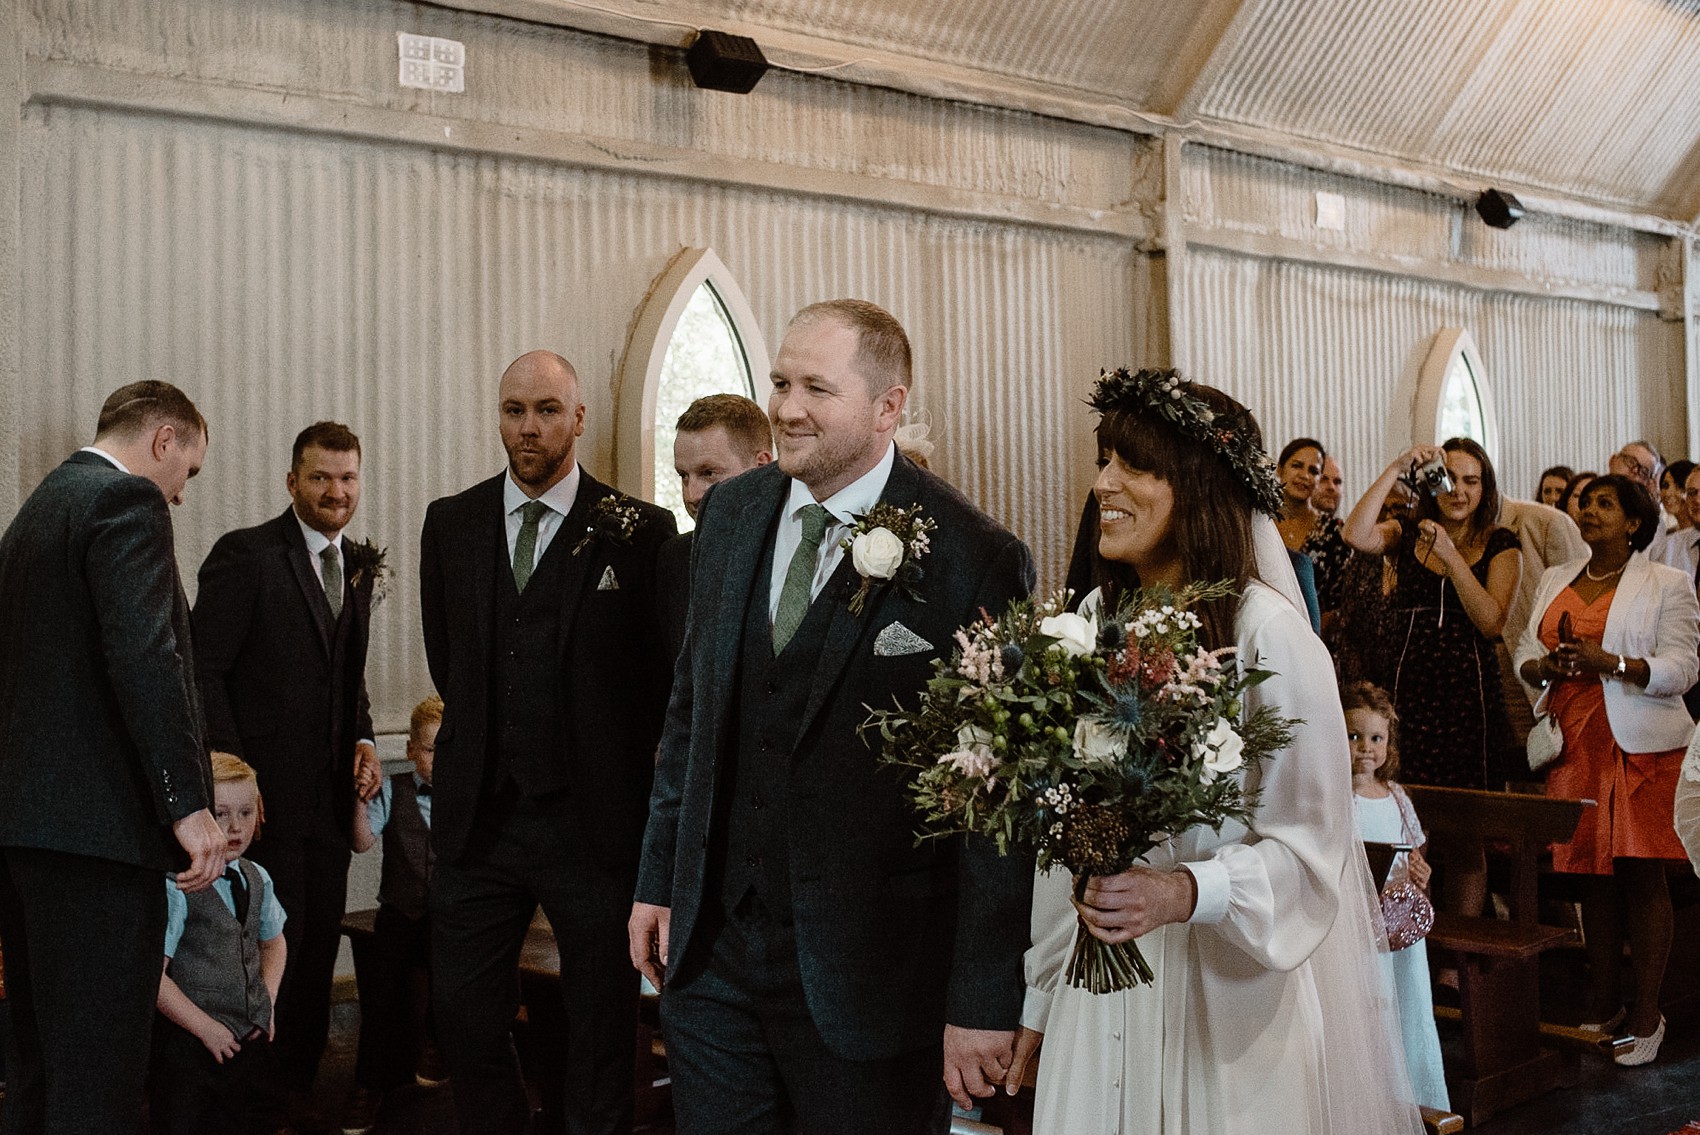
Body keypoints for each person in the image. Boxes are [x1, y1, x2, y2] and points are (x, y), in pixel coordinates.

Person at [630, 299, 1036, 1135]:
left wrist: (983, 997)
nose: (786, 407)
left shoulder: (973, 555)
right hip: (712, 965)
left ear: (888, 407)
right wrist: (660, 879)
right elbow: (689, 719)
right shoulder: (733, 515)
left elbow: (999, 806)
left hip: (870, 977)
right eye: (780, 381)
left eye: (817, 386)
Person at [1009, 370, 1419, 1135]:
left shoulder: (1271, 635)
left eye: (1134, 464)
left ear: (1199, 486)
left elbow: (1311, 852)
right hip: (1097, 1005)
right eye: (1104, 460)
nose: (1104, 483)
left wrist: (1184, 891)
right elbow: (1058, 840)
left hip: (1227, 1011)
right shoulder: (1089, 624)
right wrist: (1039, 995)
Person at [421, 349, 677, 1135]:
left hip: (591, 825)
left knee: (602, 1024)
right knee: (463, 1015)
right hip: (480, 819)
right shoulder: (451, 521)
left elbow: (656, 682)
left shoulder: (639, 530)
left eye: (545, 409)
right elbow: (450, 657)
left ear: (578, 417)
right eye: (513, 410)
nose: (527, 426)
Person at [0, 380, 224, 1135]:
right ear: (164, 439)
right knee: (99, 1079)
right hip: (99, 844)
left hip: (26, 840)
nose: (181, 495)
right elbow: (146, 657)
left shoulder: (36, 513)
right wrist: (187, 804)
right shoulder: (125, 504)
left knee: (40, 1069)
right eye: (187, 471)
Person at [192, 421, 382, 1111]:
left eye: (348, 477)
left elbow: (348, 678)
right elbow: (203, 672)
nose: (337, 491)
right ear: (292, 481)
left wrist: (364, 740)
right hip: (258, 807)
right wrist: (235, 784)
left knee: (314, 951)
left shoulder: (357, 566)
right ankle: (250, 1099)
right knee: (267, 953)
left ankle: (299, 1096)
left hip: (330, 807)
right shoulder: (246, 556)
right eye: (321, 477)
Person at [1515, 474, 1698, 1065]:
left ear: (1635, 522)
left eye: (1604, 504)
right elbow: (1522, 648)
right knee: (1591, 875)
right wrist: (1542, 668)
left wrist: (1611, 662)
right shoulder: (1555, 578)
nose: (1588, 510)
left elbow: (1683, 668)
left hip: (1642, 742)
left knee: (1643, 876)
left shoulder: (1667, 582)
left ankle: (1648, 1014)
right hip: (1576, 738)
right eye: (1585, 502)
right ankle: (1603, 1000)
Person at [1342, 439, 1520, 914]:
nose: (1458, 490)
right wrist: (1394, 467)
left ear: (1486, 487)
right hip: (1410, 688)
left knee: (1465, 835)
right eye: (1449, 478)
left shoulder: (1501, 542)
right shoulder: (1407, 531)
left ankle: (1455, 965)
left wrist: (1452, 557)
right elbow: (1355, 534)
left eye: (1471, 480)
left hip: (1467, 694)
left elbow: (1491, 620)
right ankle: (1409, 935)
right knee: (1408, 823)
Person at [150, 753, 289, 1135]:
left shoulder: (256, 876)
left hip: (248, 1037)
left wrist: (267, 999)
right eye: (221, 814)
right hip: (192, 1045)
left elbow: (274, 943)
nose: (235, 827)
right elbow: (153, 978)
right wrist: (205, 1028)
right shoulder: (178, 885)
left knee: (257, 1117)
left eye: (246, 813)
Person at [1344, 682, 1449, 1113]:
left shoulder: (1398, 799)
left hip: (1400, 931)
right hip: (1356, 928)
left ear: (1389, 742)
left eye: (1376, 738)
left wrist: (1419, 873)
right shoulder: (1340, 799)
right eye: (1354, 736)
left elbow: (1414, 854)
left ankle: (1416, 1099)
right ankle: (1369, 1101)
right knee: (1370, 1009)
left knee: (1407, 1007)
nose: (1365, 748)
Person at [344, 695, 444, 1130]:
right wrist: (360, 804)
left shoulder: (465, 796)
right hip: (399, 911)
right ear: (409, 749)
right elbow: (363, 842)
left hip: (445, 915)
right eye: (429, 750)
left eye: (447, 749)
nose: (437, 760)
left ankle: (439, 1046)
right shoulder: (396, 790)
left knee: (455, 974)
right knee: (380, 998)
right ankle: (367, 1086)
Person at [658, 394, 773, 660]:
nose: (692, 494)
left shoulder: (796, 548)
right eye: (683, 476)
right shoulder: (673, 558)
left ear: (762, 466)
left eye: (709, 473)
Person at [1275, 437, 1351, 616]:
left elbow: (1339, 601)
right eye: (1297, 465)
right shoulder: (1259, 520)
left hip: (1314, 632)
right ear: (1279, 470)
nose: (1305, 476)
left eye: (1313, 470)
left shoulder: (1333, 530)